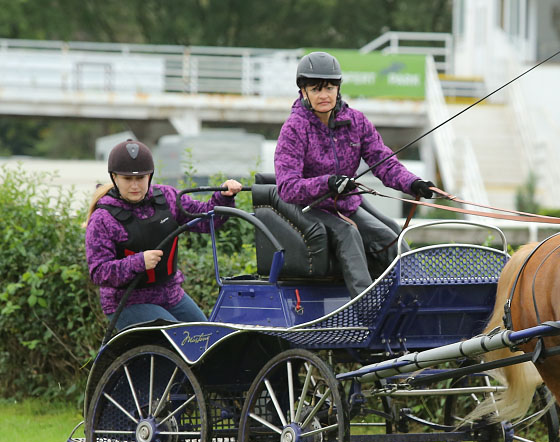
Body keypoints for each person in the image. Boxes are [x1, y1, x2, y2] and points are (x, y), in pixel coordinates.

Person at [274, 51, 436, 298]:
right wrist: (327, 182)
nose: (324, 95)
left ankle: (420, 301)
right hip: (308, 208)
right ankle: (367, 308)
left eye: (329, 87)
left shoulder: (356, 122)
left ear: (338, 88)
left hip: (346, 205)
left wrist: (413, 183)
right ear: (303, 91)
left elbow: (384, 163)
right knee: (347, 233)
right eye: (316, 89)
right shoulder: (294, 129)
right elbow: (287, 187)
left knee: (389, 234)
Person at [84, 139, 242, 331]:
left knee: (207, 336)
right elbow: (99, 273)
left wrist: (224, 197)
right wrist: (138, 262)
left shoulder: (167, 198)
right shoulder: (102, 218)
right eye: (127, 179)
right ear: (115, 178)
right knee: (181, 339)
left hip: (171, 295)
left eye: (140, 178)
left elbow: (206, 220)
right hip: (127, 303)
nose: (135, 185)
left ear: (149, 176)